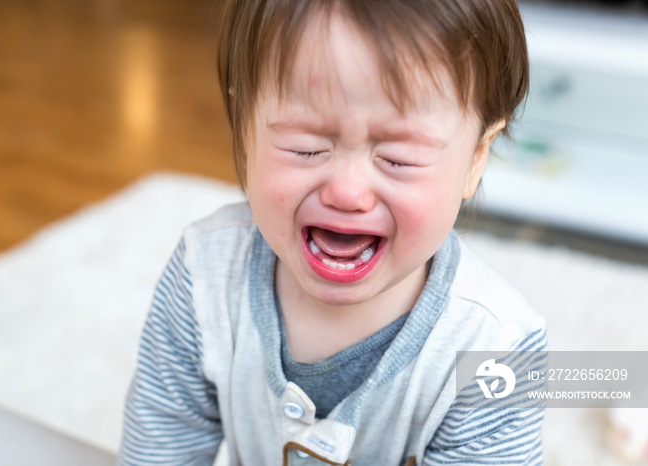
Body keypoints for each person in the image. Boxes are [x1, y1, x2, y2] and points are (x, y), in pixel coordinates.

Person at [118, 0, 547, 464]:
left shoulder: (499, 348)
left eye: (398, 158)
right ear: (246, 133)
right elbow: (159, 448)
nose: (347, 191)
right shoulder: (203, 275)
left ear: (475, 160)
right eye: (305, 147)